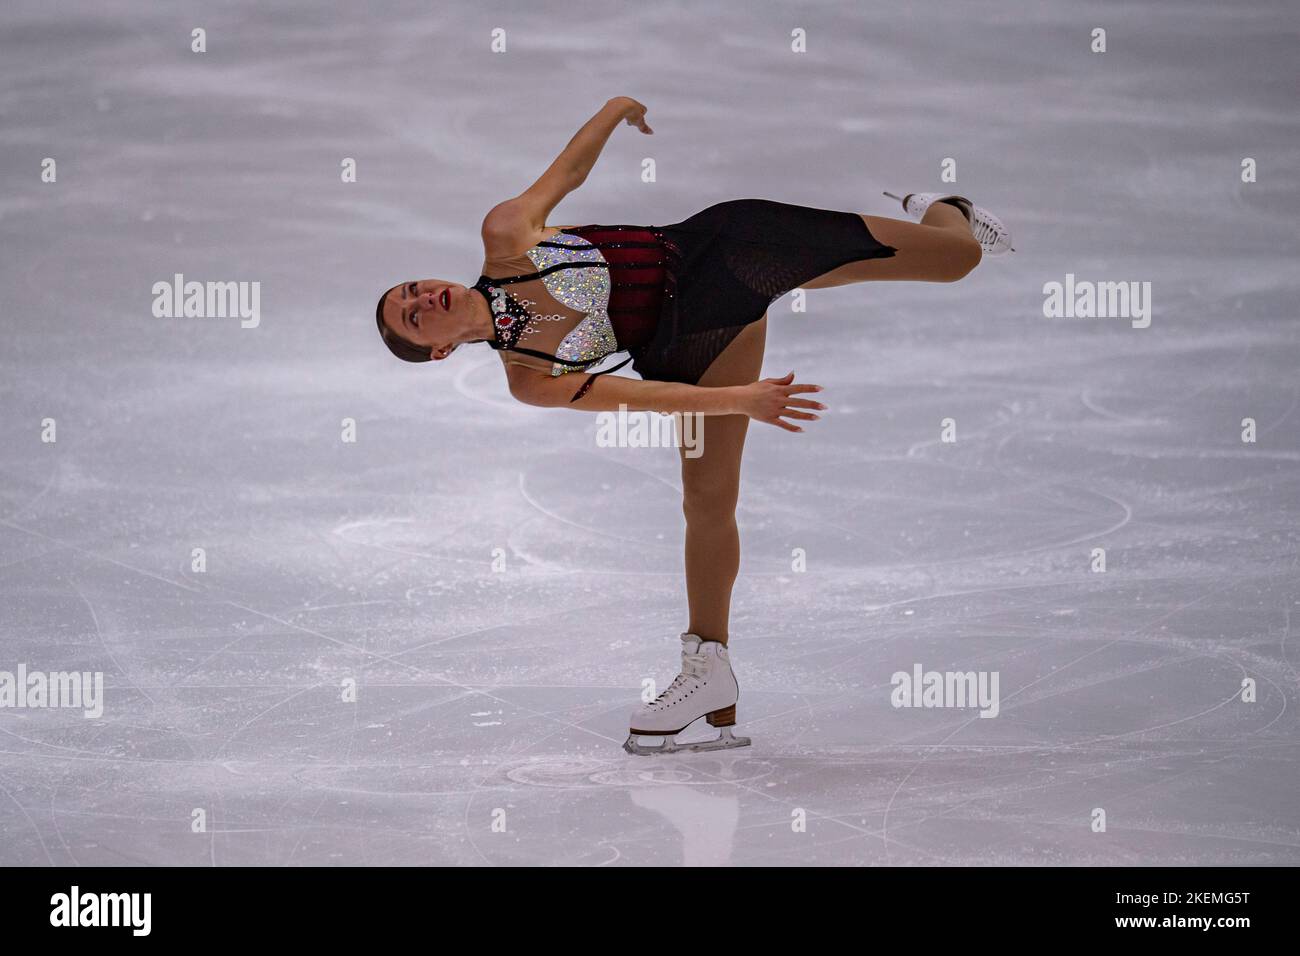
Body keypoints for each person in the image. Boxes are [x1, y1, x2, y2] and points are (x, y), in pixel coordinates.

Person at [374, 96, 1011, 755]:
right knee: (707, 498)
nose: (424, 298)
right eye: (414, 317)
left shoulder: (507, 235)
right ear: (440, 351)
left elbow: (568, 174)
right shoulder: (530, 378)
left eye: (413, 288)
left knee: (957, 258)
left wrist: (615, 110)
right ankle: (709, 669)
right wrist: (741, 399)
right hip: (693, 345)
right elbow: (645, 399)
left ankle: (948, 209)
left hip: (728, 251)